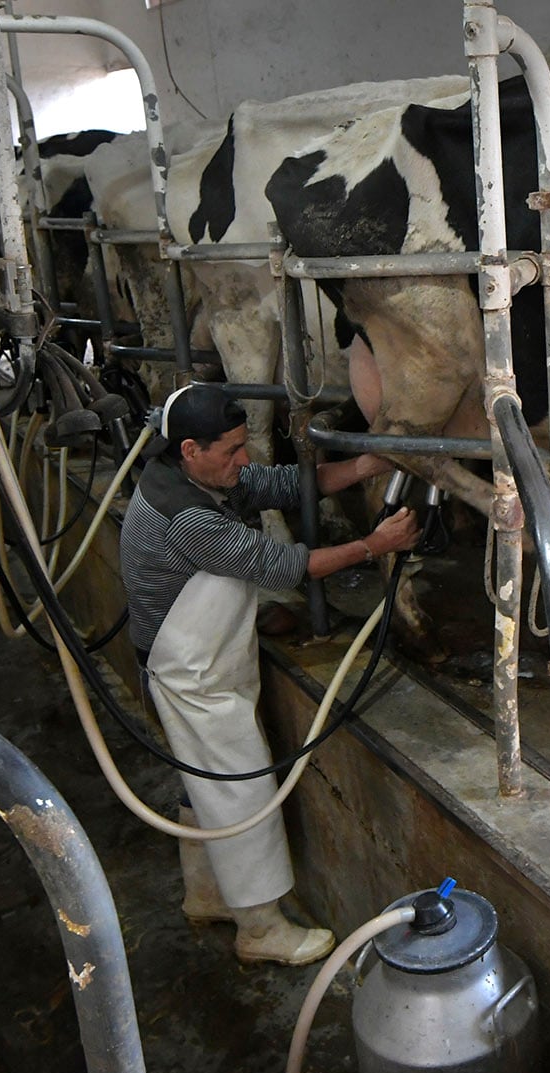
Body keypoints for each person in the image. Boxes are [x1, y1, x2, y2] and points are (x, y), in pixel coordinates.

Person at [119, 383, 419, 965]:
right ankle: (260, 930)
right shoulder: (184, 516)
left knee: (202, 783)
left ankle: (207, 894)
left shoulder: (204, 479)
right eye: (231, 450)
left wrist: (367, 462)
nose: (243, 459)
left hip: (201, 660)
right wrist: (373, 544)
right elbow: (286, 565)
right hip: (185, 672)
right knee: (239, 788)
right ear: (189, 449)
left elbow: (286, 484)